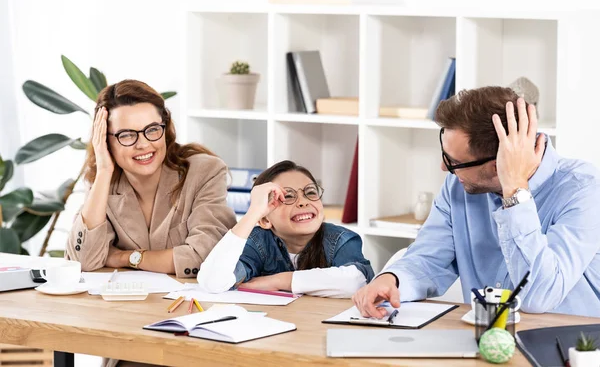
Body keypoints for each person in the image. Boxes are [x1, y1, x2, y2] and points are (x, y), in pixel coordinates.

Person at [353, 86, 600, 318]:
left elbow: (540, 295)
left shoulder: (583, 189)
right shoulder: (457, 188)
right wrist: (392, 280)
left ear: (498, 165)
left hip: (567, 351)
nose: (443, 168)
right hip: (486, 342)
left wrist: (514, 190)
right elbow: (429, 258)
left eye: (453, 162)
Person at [66, 79, 237, 279]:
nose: (143, 144)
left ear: (165, 128)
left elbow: (209, 257)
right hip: (127, 306)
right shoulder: (105, 184)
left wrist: (124, 257)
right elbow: (82, 261)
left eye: (153, 129)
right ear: (105, 140)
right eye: (127, 135)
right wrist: (103, 171)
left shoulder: (204, 172)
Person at [197, 160, 374, 298]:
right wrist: (253, 214)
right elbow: (212, 282)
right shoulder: (258, 241)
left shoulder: (340, 239)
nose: (303, 201)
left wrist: (279, 281)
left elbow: (357, 281)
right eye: (287, 196)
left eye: (310, 192)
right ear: (265, 219)